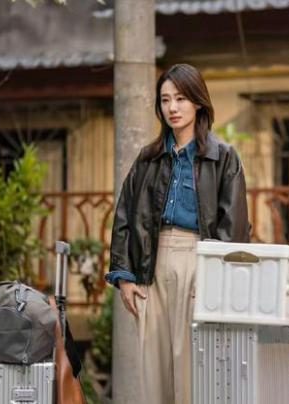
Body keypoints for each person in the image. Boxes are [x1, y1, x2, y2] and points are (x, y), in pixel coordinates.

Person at [105, 63, 250, 403]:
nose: (172, 107)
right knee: (154, 370)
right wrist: (125, 277)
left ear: (198, 102)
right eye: (165, 99)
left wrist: (214, 275)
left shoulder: (223, 157)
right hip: (151, 265)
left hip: (199, 262)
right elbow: (125, 214)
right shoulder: (148, 158)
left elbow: (234, 227)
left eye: (181, 98)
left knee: (193, 370)